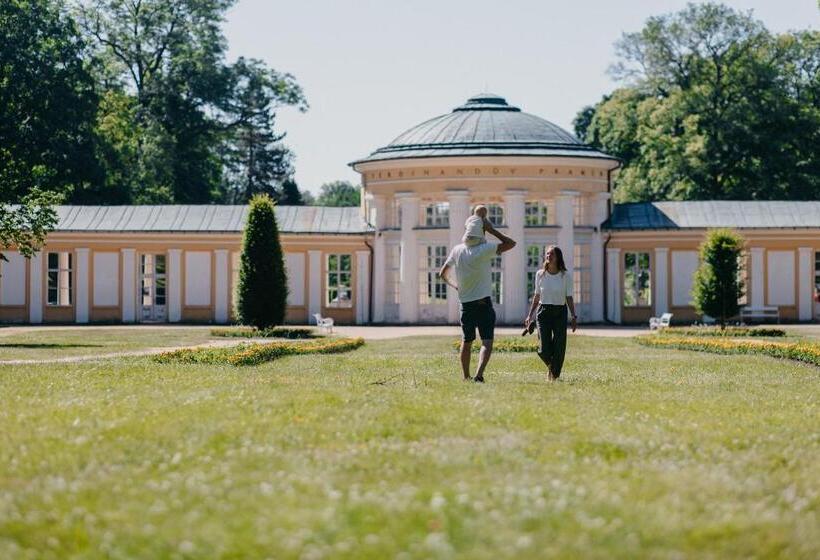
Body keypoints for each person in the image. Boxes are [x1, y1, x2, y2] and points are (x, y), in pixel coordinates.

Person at [438, 205, 516, 382]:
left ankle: (466, 377)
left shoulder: (457, 250)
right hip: (483, 303)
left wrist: (455, 285)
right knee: (486, 341)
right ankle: (479, 375)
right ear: (482, 232)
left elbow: (442, 273)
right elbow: (511, 243)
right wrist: (492, 230)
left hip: (465, 304)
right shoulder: (484, 249)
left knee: (467, 341)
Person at [523, 245, 577, 381]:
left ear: (558, 257)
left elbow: (569, 297)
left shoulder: (566, 276)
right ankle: (552, 368)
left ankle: (553, 375)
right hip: (543, 312)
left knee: (559, 345)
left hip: (560, 312)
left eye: (551, 254)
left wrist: (574, 316)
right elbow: (536, 296)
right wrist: (530, 315)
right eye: (547, 254)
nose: (548, 256)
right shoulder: (540, 274)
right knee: (544, 348)